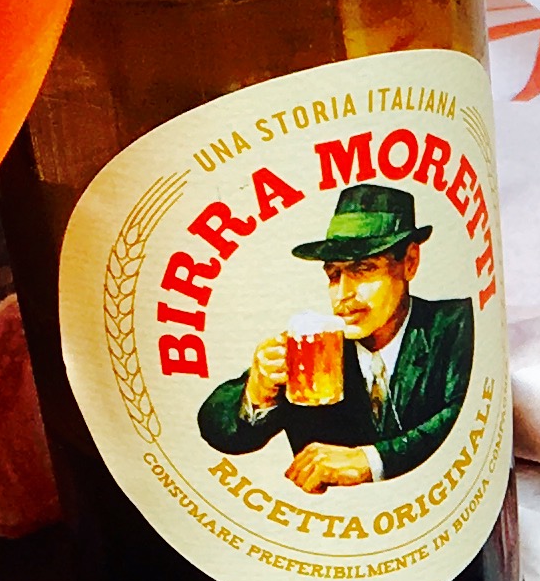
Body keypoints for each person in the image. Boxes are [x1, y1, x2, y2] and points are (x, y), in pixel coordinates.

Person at [196, 180, 475, 492]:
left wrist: (370, 461)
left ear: (409, 262)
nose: (343, 294)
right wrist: (256, 393)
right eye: (333, 275)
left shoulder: (457, 325)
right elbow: (217, 428)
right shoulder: (317, 350)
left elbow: (465, 416)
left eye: (363, 269)